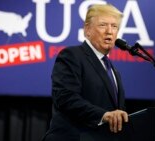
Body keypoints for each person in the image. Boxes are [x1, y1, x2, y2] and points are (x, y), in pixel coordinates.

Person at [43, 4, 129, 141]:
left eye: (114, 26)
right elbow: (65, 98)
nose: (109, 31)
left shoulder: (114, 71)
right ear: (87, 30)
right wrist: (104, 115)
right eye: (103, 25)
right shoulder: (72, 55)